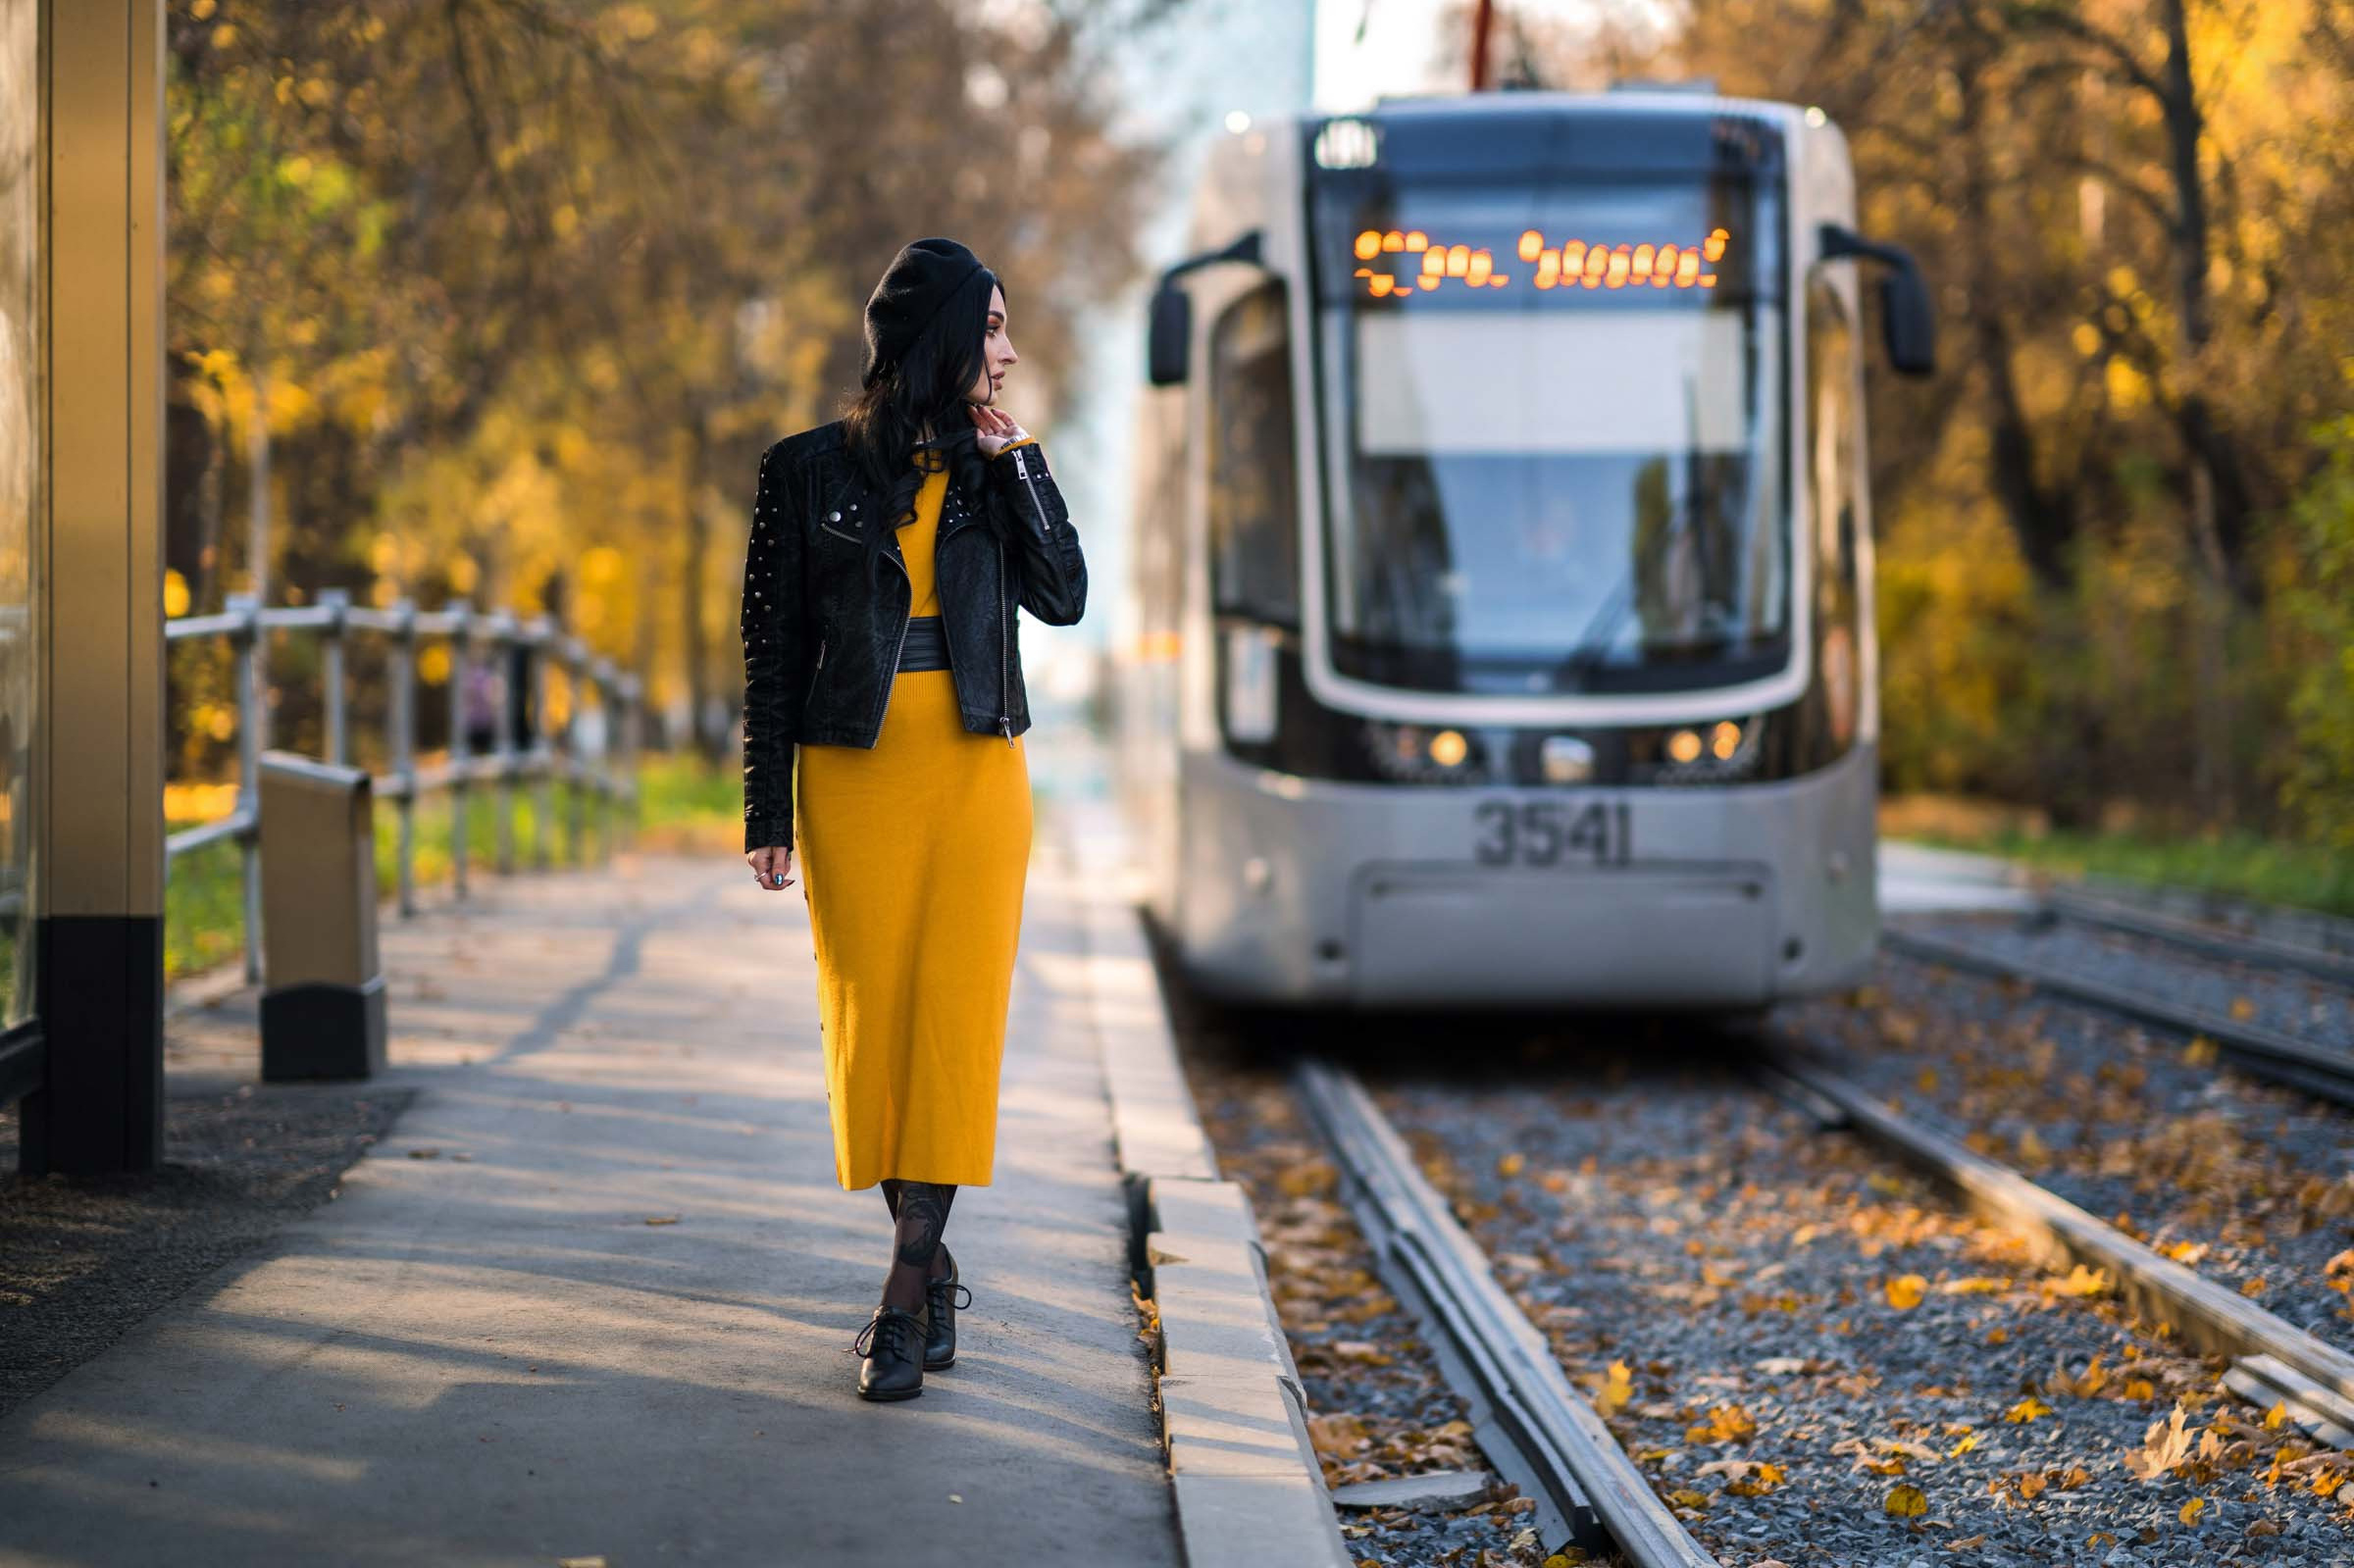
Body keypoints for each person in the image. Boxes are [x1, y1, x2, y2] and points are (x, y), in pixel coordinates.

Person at [739, 236, 1087, 1402]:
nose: (1009, 349)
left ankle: (897, 1304)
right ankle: (930, 1266)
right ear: (941, 339)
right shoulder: (803, 472)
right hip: (855, 777)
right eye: (991, 328)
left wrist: (1021, 462)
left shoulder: (1002, 471)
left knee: (948, 1030)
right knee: (874, 1031)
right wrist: (763, 805)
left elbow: (1066, 597)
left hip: (978, 778)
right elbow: (773, 655)